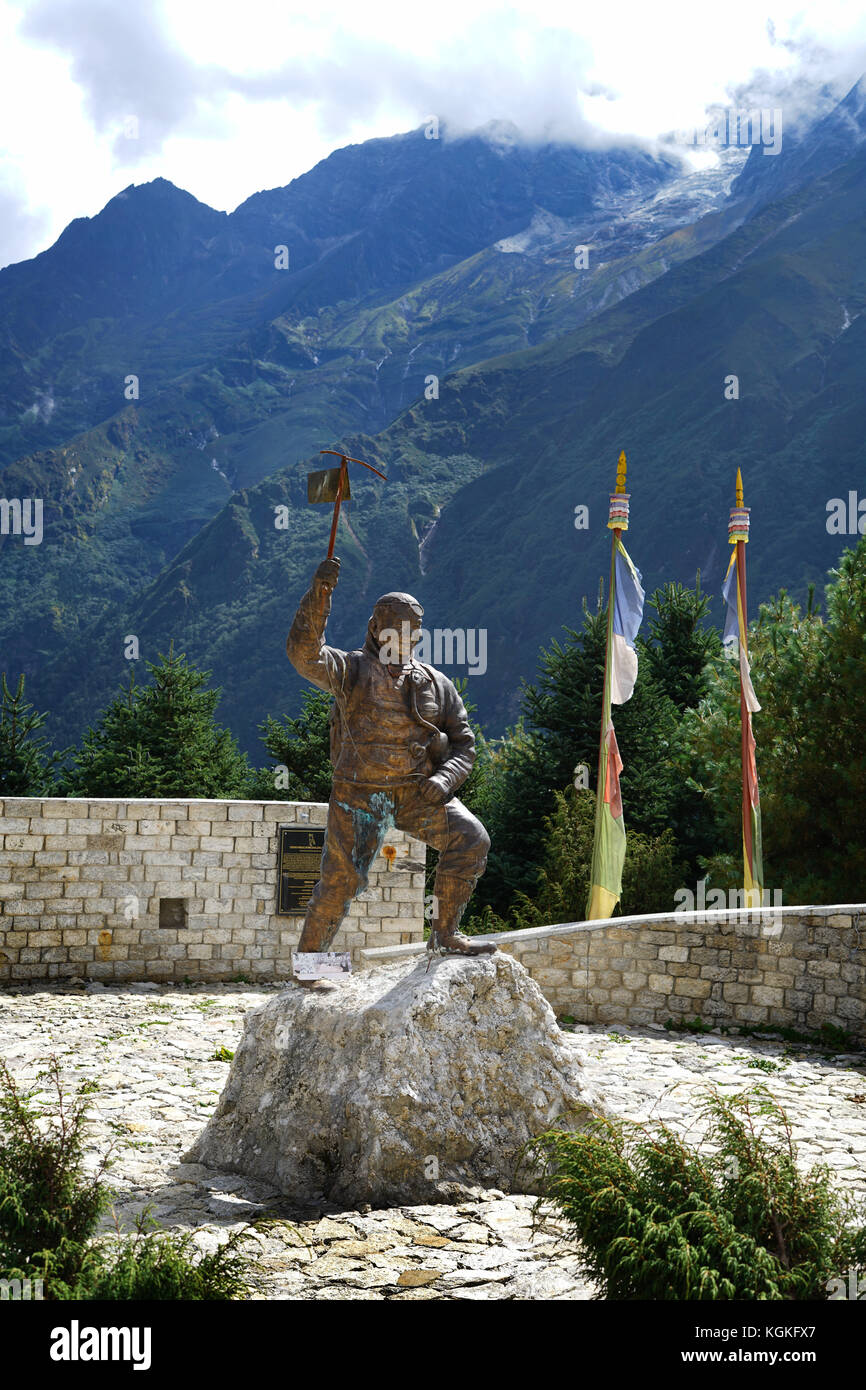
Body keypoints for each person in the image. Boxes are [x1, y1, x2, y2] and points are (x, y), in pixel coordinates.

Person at [286, 555, 495, 981]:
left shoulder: (437, 683)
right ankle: (309, 966)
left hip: (418, 793)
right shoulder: (351, 669)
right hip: (359, 794)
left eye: (414, 627)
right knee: (341, 881)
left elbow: (464, 744)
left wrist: (444, 779)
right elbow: (304, 654)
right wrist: (319, 596)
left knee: (471, 840)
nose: (408, 634)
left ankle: (445, 935)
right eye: (398, 625)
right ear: (377, 626)